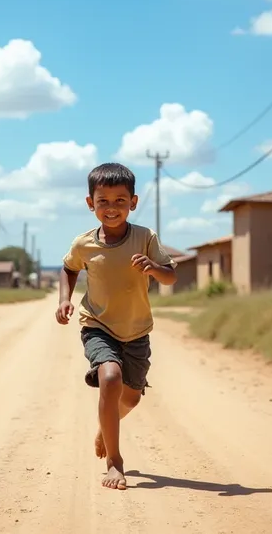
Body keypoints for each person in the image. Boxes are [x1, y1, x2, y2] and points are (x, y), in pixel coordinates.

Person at [55, 162, 177, 490]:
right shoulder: (84, 244)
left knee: (132, 398)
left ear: (133, 202)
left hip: (137, 330)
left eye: (120, 201)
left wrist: (153, 267)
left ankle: (104, 430)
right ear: (90, 203)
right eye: (103, 201)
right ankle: (115, 460)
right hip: (97, 325)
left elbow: (170, 275)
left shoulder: (145, 237)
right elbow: (68, 269)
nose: (111, 208)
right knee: (110, 376)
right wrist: (65, 299)